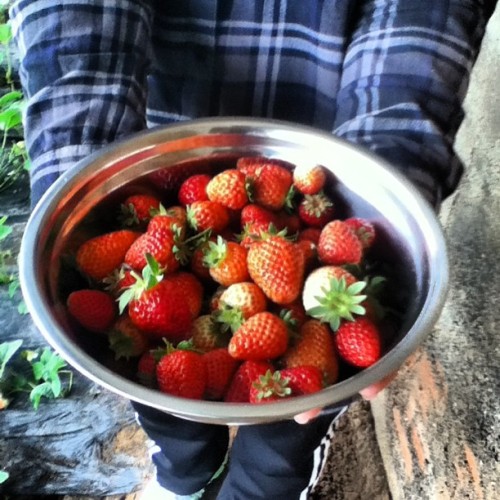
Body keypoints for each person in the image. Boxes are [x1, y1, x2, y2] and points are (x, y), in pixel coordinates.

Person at [9, 1, 497, 498]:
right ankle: (184, 480)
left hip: (330, 156)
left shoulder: (294, 253)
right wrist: (81, 173)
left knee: (293, 421)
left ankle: (263, 484)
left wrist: (389, 175)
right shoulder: (171, 253)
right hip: (164, 139)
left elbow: (424, 17)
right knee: (165, 398)